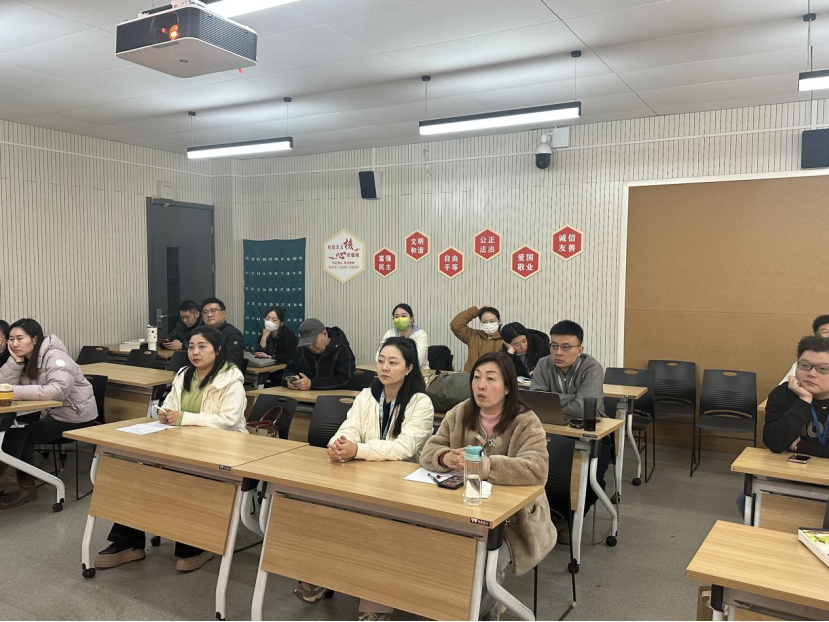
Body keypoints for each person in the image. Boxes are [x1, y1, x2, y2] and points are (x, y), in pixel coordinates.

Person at [294, 338, 434, 619]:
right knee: (324, 510)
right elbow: (349, 427)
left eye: (392, 362)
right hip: (364, 477)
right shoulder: (367, 396)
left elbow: (404, 449)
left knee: (377, 530)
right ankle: (321, 575)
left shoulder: (421, 402)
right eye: (381, 361)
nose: (384, 368)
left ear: (409, 368)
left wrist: (358, 450)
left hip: (402, 485)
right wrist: (339, 444)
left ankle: (374, 607)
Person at [95, 326, 247, 572]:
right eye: (191, 347)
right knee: (138, 473)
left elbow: (228, 421)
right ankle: (128, 543)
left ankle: (194, 546)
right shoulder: (184, 374)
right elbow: (170, 404)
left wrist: (183, 418)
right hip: (183, 444)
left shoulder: (231, 379)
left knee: (183, 479)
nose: (195, 352)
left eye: (202, 347)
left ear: (218, 350)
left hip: (220, 449)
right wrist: (165, 413)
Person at [420, 352, 556, 620]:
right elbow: (429, 450)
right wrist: (445, 457)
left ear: (507, 387)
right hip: (461, 509)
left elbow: (537, 469)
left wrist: (485, 466)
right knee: (426, 546)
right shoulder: (460, 412)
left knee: (485, 564)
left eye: (491, 379)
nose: (481, 385)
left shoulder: (525, 420)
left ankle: (471, 613)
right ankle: (448, 607)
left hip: (513, 521)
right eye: (477, 378)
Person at [0, 319, 97, 509]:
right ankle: (11, 481)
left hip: (75, 416)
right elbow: (2, 385)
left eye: (20, 338)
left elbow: (58, 391)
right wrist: (16, 363)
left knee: (22, 433)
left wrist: (14, 391)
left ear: (35, 339)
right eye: (11, 339)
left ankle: (25, 487)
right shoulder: (24, 358)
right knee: (15, 428)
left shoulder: (55, 356)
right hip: (49, 413)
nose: (14, 344)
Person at [530, 320, 608, 541]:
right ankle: (545, 517)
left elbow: (583, 407)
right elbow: (537, 401)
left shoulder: (592, 368)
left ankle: (571, 520)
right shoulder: (543, 364)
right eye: (554, 346)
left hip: (592, 435)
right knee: (542, 473)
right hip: (551, 431)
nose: (558, 352)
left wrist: (554, 401)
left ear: (579, 349)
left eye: (566, 347)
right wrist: (572, 399)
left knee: (591, 479)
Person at [765, 335, 829, 457]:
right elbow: (774, 443)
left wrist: (799, 446)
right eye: (804, 365)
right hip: (787, 467)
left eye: (822, 369)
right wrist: (804, 400)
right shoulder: (782, 394)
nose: (811, 373)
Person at [282, 318, 355, 391]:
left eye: (314, 342)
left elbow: (345, 379)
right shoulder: (301, 349)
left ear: (325, 334)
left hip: (334, 396)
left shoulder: (342, 350)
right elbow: (287, 372)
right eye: (306, 343)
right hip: (304, 396)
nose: (310, 346)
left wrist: (312, 384)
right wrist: (290, 381)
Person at [375, 304, 429, 370]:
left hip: (419, 371)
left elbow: (418, 360)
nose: (400, 319)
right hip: (393, 371)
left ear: (412, 318)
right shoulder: (389, 333)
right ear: (393, 319)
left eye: (403, 316)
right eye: (396, 317)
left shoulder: (420, 334)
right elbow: (379, 356)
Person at [195, 297, 245, 368]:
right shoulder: (199, 333)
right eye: (205, 312)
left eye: (213, 311)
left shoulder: (233, 334)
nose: (209, 315)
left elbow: (233, 360)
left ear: (223, 313)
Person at [450, 305, 504, 372]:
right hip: (471, 375)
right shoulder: (473, 336)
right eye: (484, 322)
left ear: (499, 322)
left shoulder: (504, 340)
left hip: (492, 376)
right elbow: (456, 325)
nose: (488, 324)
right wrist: (475, 311)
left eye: (492, 321)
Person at [780, 315, 829, 384]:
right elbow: (786, 386)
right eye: (825, 331)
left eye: (823, 369)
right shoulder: (806, 363)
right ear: (816, 336)